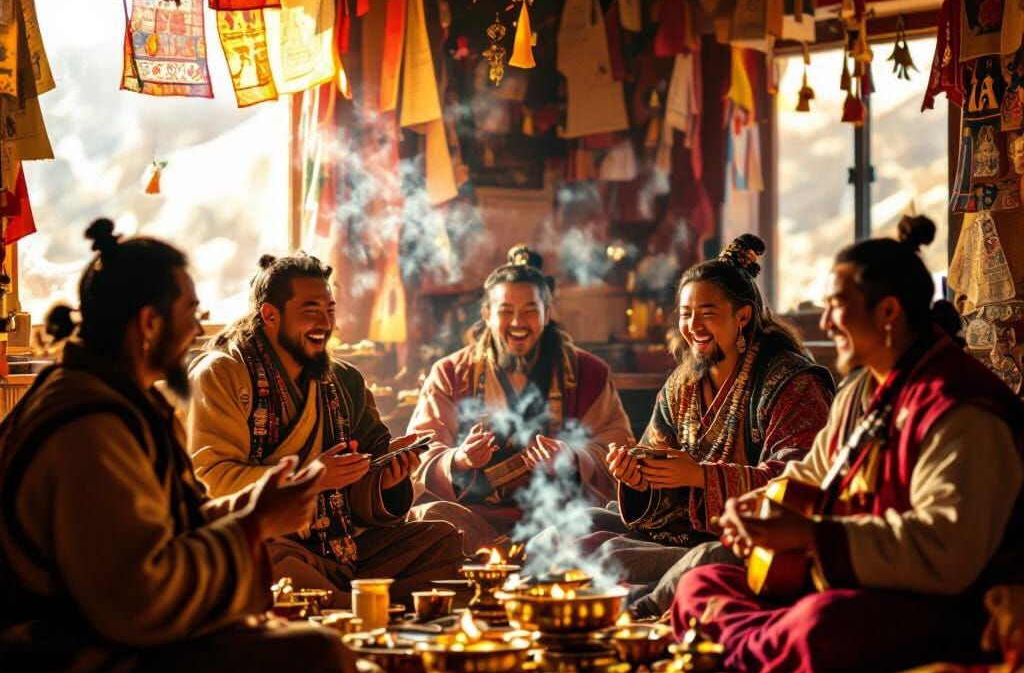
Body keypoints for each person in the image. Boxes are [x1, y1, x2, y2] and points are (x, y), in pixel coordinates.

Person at [0, 220, 377, 673]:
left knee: (319, 657)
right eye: (191, 315)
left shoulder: (128, 402)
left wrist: (258, 504)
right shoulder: (89, 425)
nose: (197, 331)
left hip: (120, 645)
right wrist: (256, 524)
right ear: (149, 323)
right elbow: (136, 598)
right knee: (321, 660)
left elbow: (179, 525)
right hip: (77, 671)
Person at [672, 217, 1024, 673]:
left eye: (837, 307)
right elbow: (812, 473)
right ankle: (768, 656)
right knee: (701, 583)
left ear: (887, 312)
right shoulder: (863, 388)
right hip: (838, 582)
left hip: (939, 607)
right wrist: (755, 507)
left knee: (823, 626)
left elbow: (949, 552)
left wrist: (813, 536)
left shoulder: (960, 408)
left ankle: (747, 654)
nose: (826, 322)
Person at [188, 253, 465, 605]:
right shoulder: (224, 373)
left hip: (342, 549)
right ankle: (363, 608)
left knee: (441, 541)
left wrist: (386, 479)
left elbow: (363, 493)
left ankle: (351, 605)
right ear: (270, 315)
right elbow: (210, 481)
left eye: (330, 310)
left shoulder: (344, 380)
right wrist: (311, 479)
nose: (325, 323)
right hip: (274, 544)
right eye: (310, 310)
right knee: (261, 563)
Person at [600, 234, 834, 613]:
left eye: (707, 312)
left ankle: (633, 620)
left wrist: (701, 477)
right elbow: (657, 457)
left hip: (759, 543)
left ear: (742, 316)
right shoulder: (684, 383)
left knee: (665, 558)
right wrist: (639, 475)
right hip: (685, 529)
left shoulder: (792, 383)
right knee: (589, 524)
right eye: (685, 313)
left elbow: (801, 486)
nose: (693, 325)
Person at [407, 245, 633, 553]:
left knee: (599, 529)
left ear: (547, 313)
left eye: (529, 310)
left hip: (561, 521)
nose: (518, 322)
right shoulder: (450, 373)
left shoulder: (587, 373)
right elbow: (420, 451)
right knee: (429, 518)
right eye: (505, 311)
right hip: (477, 518)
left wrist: (572, 458)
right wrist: (459, 459)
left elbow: (617, 449)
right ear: (486, 314)